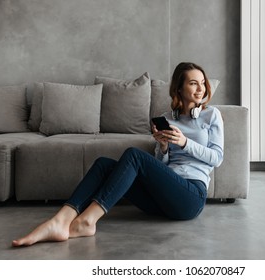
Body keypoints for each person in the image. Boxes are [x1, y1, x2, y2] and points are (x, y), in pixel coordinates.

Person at [12, 62, 224, 247]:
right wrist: (164, 148)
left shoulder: (211, 115)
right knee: (104, 164)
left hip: (190, 198)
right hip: (161, 199)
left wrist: (185, 142)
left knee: (134, 155)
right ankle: (60, 220)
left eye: (202, 82)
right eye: (193, 83)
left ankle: (87, 221)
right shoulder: (168, 119)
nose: (200, 88)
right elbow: (164, 166)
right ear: (179, 87)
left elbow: (217, 158)